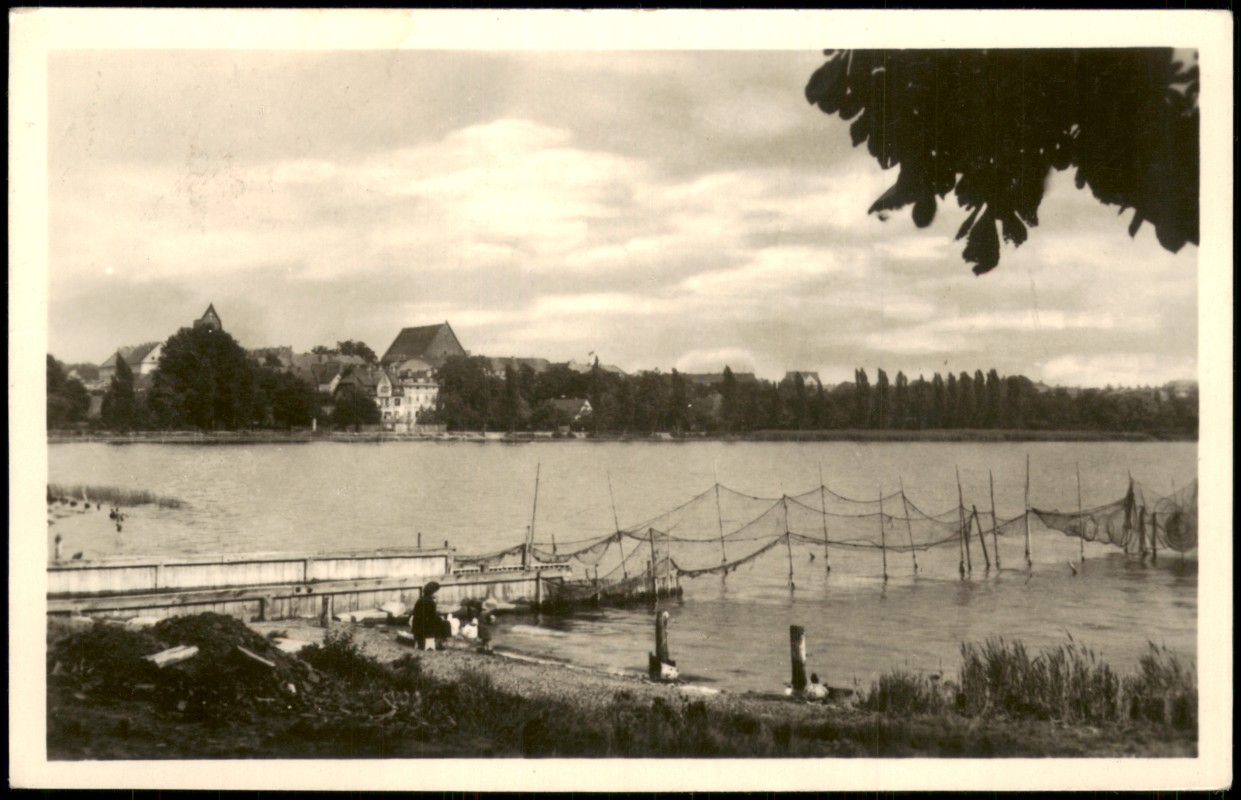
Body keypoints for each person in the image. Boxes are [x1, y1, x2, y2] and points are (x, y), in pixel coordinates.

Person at [411, 581, 451, 650]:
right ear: (432, 592)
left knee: (440, 622)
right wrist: (440, 619)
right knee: (446, 623)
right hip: (424, 628)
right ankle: (440, 643)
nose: (437, 594)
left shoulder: (420, 600)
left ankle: (434, 642)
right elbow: (432, 618)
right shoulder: (430, 602)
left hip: (416, 627)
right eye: (436, 592)